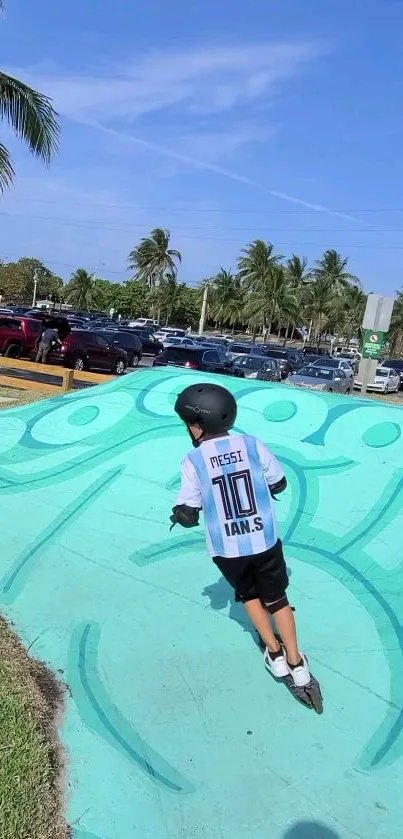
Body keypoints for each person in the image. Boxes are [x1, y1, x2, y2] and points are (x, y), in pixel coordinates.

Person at [171, 382, 311, 687]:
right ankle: (297, 663)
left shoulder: (193, 460)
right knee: (277, 599)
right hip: (263, 540)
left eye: (189, 424)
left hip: (226, 549)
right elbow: (279, 482)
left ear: (198, 426)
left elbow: (188, 509)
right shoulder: (252, 444)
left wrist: (182, 514)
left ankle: (274, 655)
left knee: (249, 595)